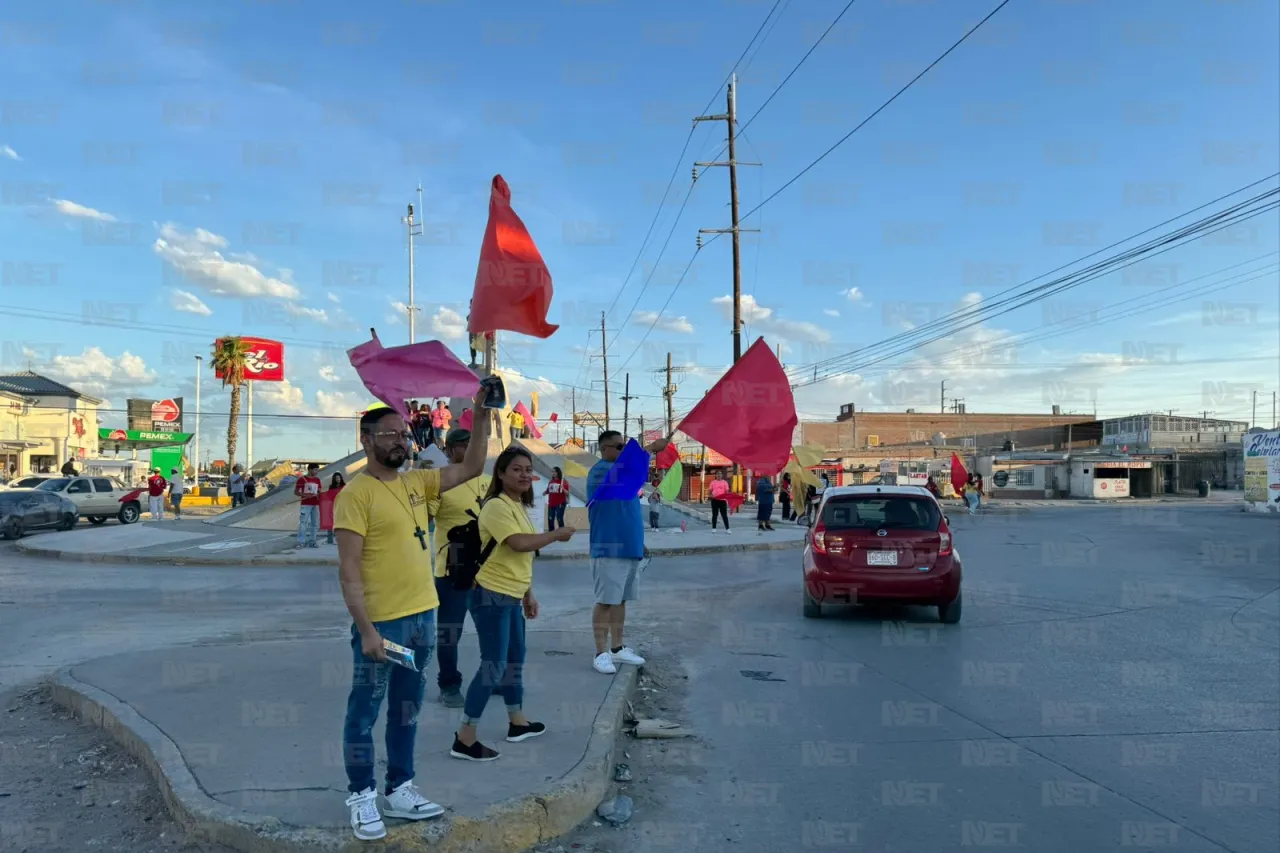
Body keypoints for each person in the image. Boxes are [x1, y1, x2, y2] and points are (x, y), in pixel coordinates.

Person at [333, 389, 489, 840]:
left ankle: (400, 786)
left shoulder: (416, 482)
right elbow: (348, 570)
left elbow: (473, 467)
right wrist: (365, 631)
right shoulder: (356, 495)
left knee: (407, 709)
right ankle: (361, 796)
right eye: (390, 434)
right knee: (364, 712)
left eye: (404, 433)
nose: (401, 441)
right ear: (366, 440)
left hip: (424, 618)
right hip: (383, 625)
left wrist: (479, 418)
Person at [450, 446, 575, 761]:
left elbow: (519, 559)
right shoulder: (495, 506)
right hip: (490, 595)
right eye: (516, 469)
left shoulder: (518, 505)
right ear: (501, 473)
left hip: (511, 595)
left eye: (527, 469)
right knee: (492, 666)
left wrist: (528, 594)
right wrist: (555, 534)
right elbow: (518, 544)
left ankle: (517, 723)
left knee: (515, 660)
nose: (523, 474)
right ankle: (465, 738)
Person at [586, 430, 668, 675]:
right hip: (608, 546)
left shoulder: (628, 480)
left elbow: (628, 513)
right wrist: (650, 450)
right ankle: (600, 652)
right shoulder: (601, 472)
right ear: (604, 449)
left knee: (621, 600)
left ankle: (617, 648)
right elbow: (625, 475)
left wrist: (638, 542)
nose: (622, 450)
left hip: (629, 546)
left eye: (624, 446)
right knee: (605, 601)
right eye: (619, 446)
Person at [425, 429, 490, 709]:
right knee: (450, 634)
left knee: (493, 630)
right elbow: (425, 517)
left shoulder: (490, 482)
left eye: (475, 444)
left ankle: (493, 679)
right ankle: (449, 684)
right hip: (453, 571)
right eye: (464, 445)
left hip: (489, 570)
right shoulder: (441, 481)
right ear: (449, 450)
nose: (472, 449)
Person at [295, 463, 323, 548]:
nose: (317, 472)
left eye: (317, 470)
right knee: (303, 523)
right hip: (305, 504)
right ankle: (301, 542)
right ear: (310, 470)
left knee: (315, 524)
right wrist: (305, 495)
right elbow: (296, 492)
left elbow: (319, 491)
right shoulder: (302, 479)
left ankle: (313, 541)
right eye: (315, 470)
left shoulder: (317, 480)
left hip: (316, 504)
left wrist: (318, 494)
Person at [324, 473, 347, 545]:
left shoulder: (344, 486)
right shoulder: (331, 487)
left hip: (341, 507)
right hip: (332, 506)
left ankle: (341, 539)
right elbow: (329, 496)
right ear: (334, 479)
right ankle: (330, 540)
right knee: (330, 523)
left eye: (339, 478)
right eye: (336, 478)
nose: (338, 479)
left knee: (341, 523)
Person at [544, 466, 568, 530]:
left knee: (559, 518)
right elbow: (548, 490)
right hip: (551, 503)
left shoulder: (563, 482)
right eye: (552, 472)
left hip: (560, 503)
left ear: (558, 472)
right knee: (550, 518)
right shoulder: (551, 481)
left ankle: (562, 533)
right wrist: (543, 493)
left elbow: (567, 493)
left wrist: (563, 488)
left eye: (555, 472)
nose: (553, 473)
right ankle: (551, 533)